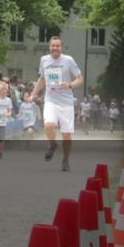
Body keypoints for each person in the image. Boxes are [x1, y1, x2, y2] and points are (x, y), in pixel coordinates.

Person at [32, 36, 83, 172]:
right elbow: (42, 79)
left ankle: (65, 159)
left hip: (66, 102)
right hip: (50, 100)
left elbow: (80, 78)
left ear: (61, 47)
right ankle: (53, 144)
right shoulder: (44, 60)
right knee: (48, 125)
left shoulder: (68, 60)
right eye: (52, 46)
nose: (55, 48)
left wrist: (70, 85)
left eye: (57, 46)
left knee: (66, 135)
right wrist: (33, 94)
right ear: (49, 47)